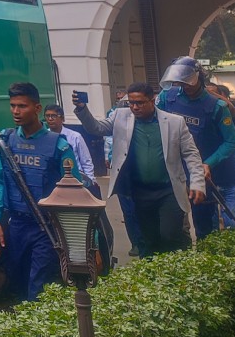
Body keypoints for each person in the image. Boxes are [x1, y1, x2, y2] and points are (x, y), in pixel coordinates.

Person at [74, 82, 206, 257]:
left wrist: (197, 183)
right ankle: (151, 276)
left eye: (140, 103)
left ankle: (175, 272)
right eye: (131, 103)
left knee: (170, 235)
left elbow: (191, 154)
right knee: (148, 239)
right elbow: (96, 128)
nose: (134, 107)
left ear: (153, 101)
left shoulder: (174, 122)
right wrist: (82, 109)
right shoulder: (120, 116)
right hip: (140, 191)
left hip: (169, 190)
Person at [0, 82, 81, 301]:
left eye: (22, 106)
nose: (16, 112)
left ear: (37, 108)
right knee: (16, 285)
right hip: (17, 227)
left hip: (46, 228)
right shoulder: (7, 141)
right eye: (12, 106)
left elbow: (75, 192)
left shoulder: (59, 145)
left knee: (37, 288)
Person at [157, 57, 235, 236]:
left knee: (219, 225)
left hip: (212, 173)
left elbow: (231, 142)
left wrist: (208, 163)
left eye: (188, 80)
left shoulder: (217, 106)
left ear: (199, 77)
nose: (184, 85)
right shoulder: (168, 97)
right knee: (189, 226)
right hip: (182, 173)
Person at [44, 104, 99, 196]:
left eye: (53, 116)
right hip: (54, 182)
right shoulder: (45, 137)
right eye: (47, 116)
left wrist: (91, 181)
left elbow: (86, 161)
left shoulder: (75, 137)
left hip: (77, 180)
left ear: (62, 118)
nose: (50, 119)